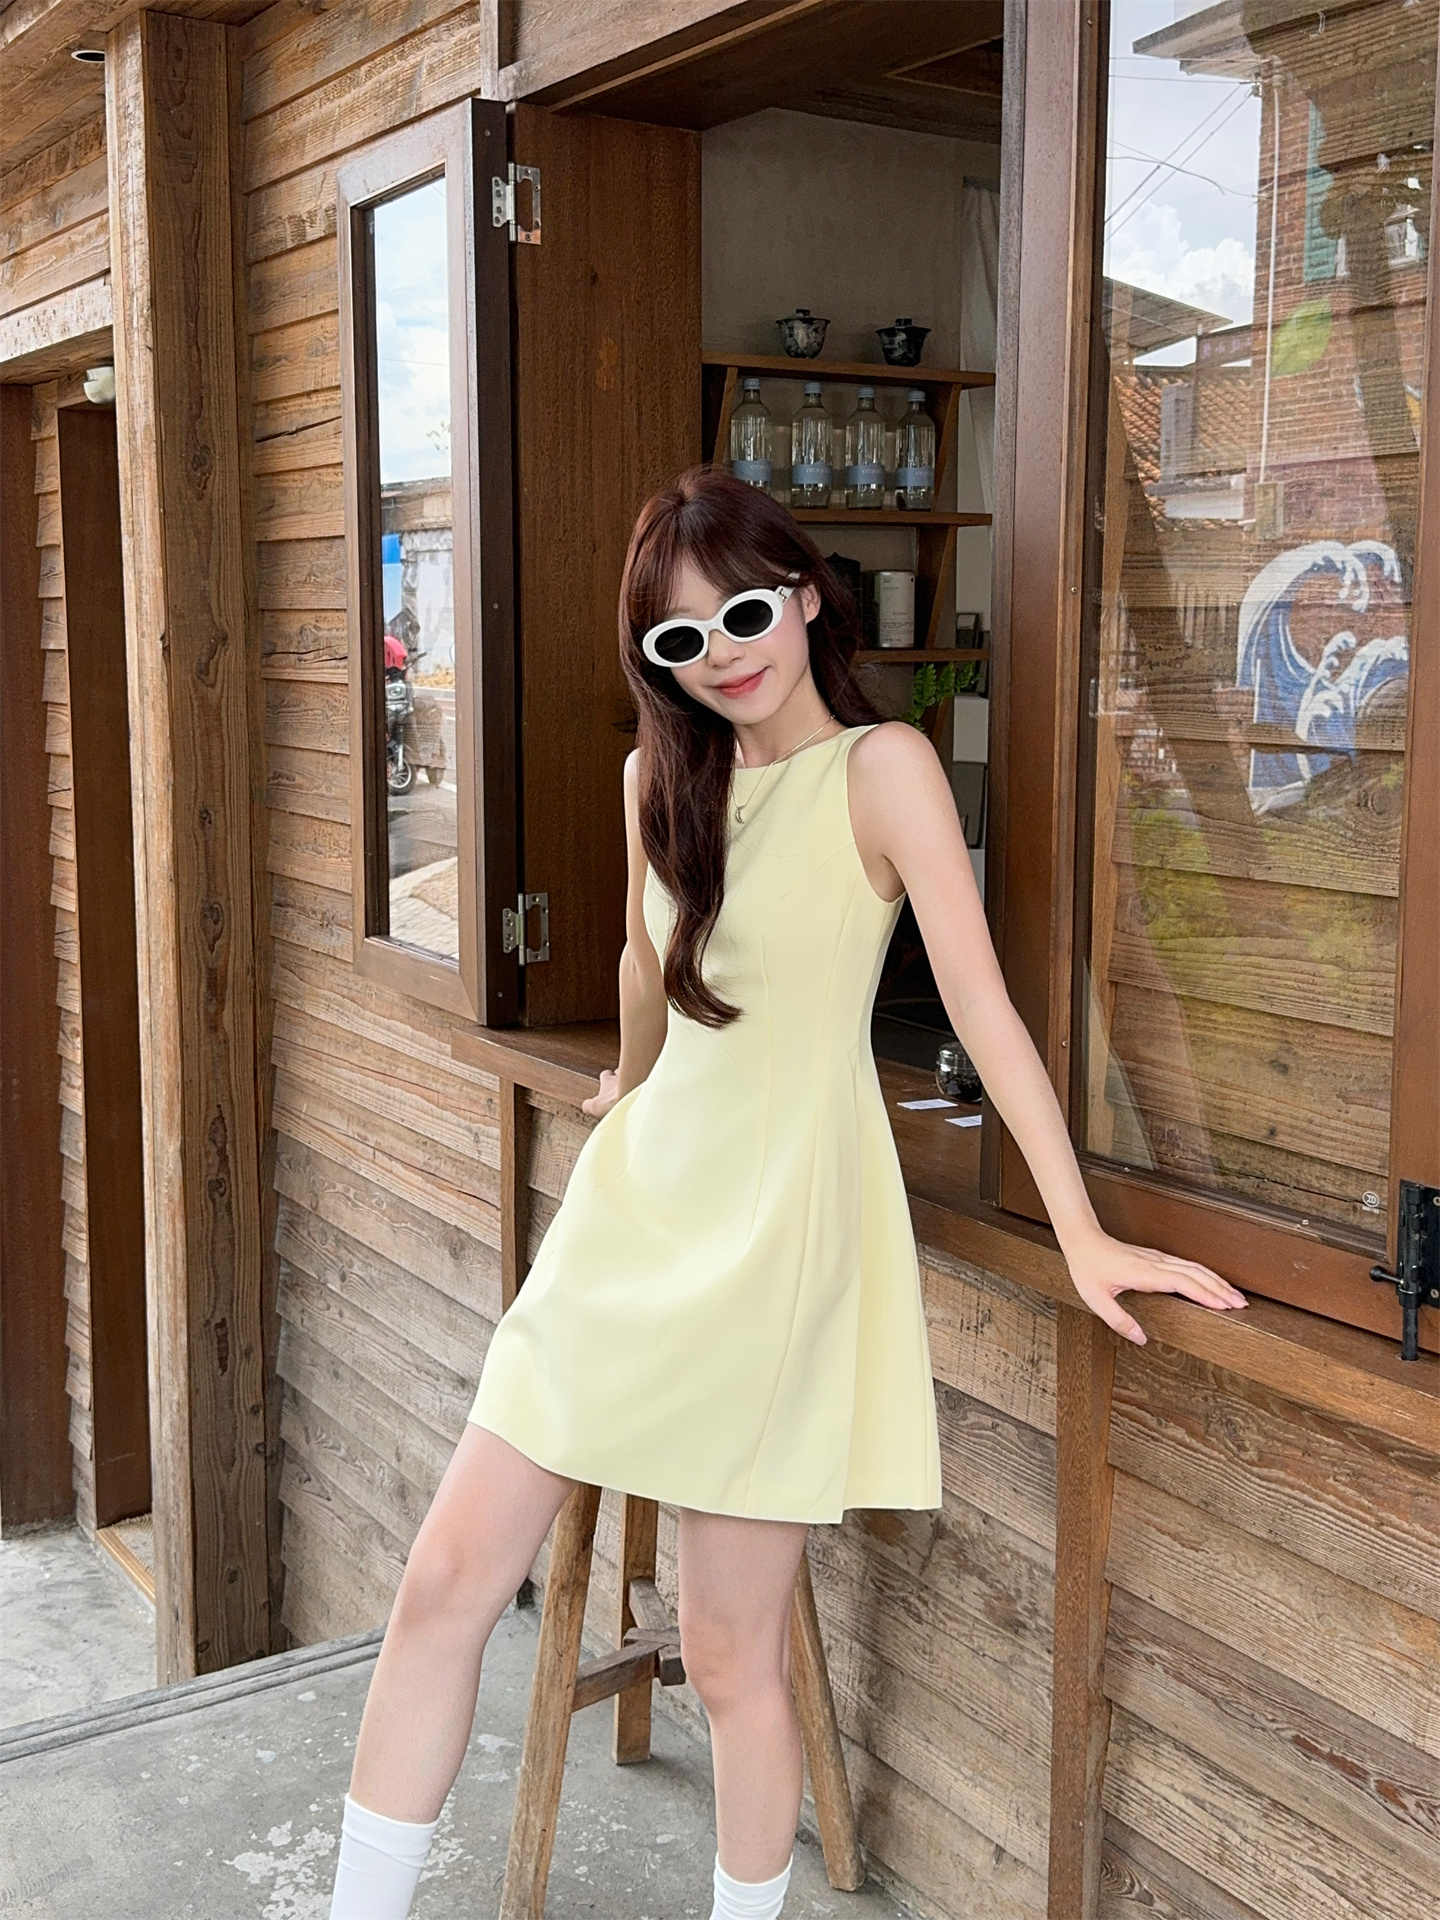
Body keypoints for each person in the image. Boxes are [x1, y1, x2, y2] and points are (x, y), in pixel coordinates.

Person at [324, 464, 1247, 1920]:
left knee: (728, 1655)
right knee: (443, 1582)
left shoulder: (884, 771)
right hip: (636, 1214)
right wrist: (627, 1083)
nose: (723, 655)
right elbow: (647, 965)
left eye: (744, 613)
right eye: (680, 640)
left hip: (778, 1233)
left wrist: (1082, 1233)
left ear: (808, 597)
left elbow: (983, 1004)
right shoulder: (657, 781)